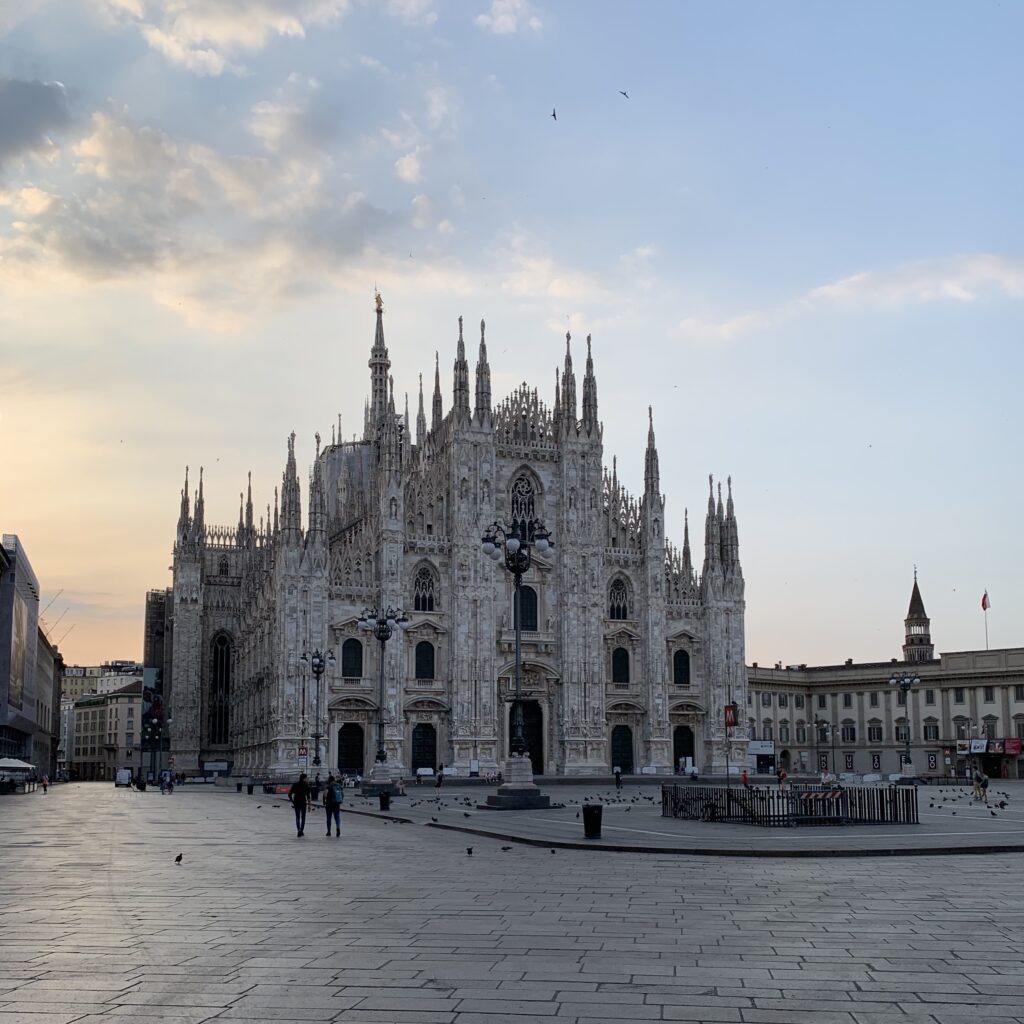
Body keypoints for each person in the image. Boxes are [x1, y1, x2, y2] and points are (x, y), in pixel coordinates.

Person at [289, 773, 311, 837]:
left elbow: (289, 794)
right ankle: (301, 830)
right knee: (303, 817)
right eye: (306, 778)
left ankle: (298, 829)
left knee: (297, 817)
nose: (307, 779)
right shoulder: (306, 786)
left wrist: (292, 801)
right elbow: (308, 797)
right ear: (304, 778)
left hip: (296, 802)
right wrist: (309, 805)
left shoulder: (295, 785)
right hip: (303, 802)